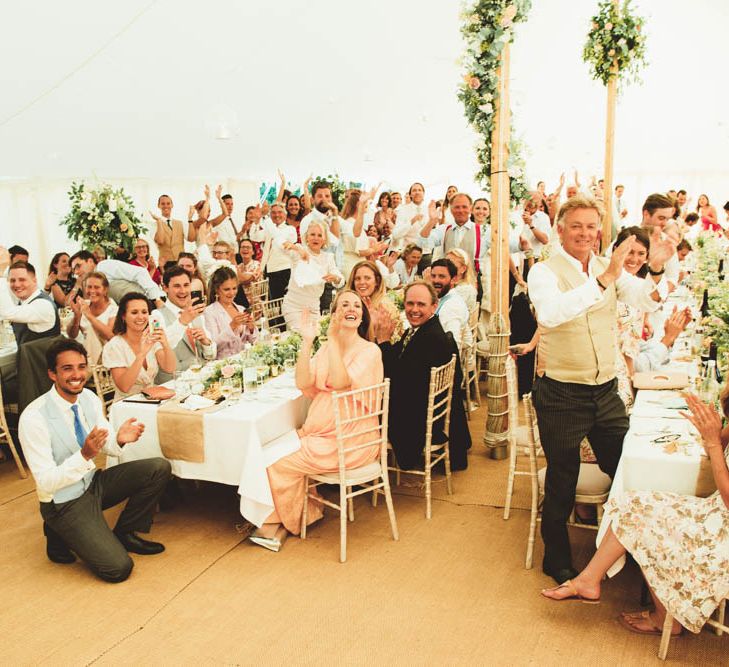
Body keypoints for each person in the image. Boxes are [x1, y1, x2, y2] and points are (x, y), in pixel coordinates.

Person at [527, 195, 675, 584]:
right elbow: (551, 314)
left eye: (592, 227)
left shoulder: (603, 267)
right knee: (563, 475)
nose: (585, 234)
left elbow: (645, 297)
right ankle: (556, 559)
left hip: (605, 389)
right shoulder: (544, 272)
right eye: (577, 225)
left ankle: (631, 549)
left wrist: (656, 269)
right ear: (560, 229)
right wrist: (604, 278)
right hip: (561, 390)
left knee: (626, 465)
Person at [542, 390, 729, 638]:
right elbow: (718, 443)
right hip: (714, 513)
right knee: (632, 502)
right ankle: (588, 580)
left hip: (721, 529)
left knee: (643, 519)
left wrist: (714, 444)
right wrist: (712, 432)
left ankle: (666, 620)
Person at [18, 338, 170, 583]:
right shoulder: (34, 418)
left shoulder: (88, 398)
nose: (77, 374)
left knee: (158, 468)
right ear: (52, 374)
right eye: (67, 369)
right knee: (118, 569)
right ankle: (57, 529)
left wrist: (119, 439)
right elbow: (46, 483)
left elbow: (106, 443)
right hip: (62, 500)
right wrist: (85, 456)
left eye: (81, 366)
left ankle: (125, 532)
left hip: (92, 483)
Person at [261, 290, 384, 536]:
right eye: (345, 305)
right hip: (322, 435)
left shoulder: (370, 351)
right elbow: (302, 381)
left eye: (357, 306)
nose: (351, 309)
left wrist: (333, 340)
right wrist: (308, 342)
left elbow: (340, 382)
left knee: (274, 461)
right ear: (335, 313)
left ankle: (279, 523)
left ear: (362, 317)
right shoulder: (327, 348)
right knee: (266, 450)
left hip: (350, 441)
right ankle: (303, 511)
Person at [375, 281, 470, 472]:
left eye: (421, 304)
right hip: (425, 408)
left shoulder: (430, 338)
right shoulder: (424, 330)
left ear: (434, 306)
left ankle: (357, 463)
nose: (414, 309)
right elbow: (403, 364)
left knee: (364, 412)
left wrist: (384, 341)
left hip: (415, 420)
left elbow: (398, 380)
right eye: (410, 304)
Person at [102, 292, 176, 400]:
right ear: (123, 316)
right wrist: (142, 354)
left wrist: (165, 344)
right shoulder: (114, 346)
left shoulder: (151, 338)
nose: (140, 317)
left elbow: (170, 368)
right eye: (134, 312)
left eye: (144, 312)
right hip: (127, 405)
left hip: (153, 400)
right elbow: (124, 387)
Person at [153, 266, 216, 381]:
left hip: (201, 380)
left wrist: (205, 342)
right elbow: (163, 347)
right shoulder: (156, 316)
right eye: (177, 286)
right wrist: (183, 321)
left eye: (186, 285)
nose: (183, 291)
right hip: (173, 385)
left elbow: (211, 355)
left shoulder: (196, 313)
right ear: (165, 288)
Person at [281, 221, 344, 331]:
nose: (316, 238)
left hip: (314, 309)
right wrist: (294, 247)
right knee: (302, 339)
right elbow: (280, 243)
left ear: (324, 239)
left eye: (320, 235)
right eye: (312, 234)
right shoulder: (299, 251)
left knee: (317, 340)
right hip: (294, 306)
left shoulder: (328, 257)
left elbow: (340, 279)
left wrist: (335, 277)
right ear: (307, 237)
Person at [0, 251, 60, 346]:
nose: (17, 284)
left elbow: (7, 312)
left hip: (42, 360)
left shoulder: (43, 305)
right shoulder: (24, 300)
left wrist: (0, 272)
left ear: (34, 280)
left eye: (22, 279)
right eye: (12, 280)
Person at [69, 250, 165, 307]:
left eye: (78, 266)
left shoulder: (104, 266)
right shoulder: (91, 282)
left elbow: (140, 272)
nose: (76, 272)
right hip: (135, 309)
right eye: (74, 270)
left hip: (152, 302)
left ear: (90, 261)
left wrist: (156, 299)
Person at [203, 266, 257, 359]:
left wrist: (251, 328)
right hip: (224, 364)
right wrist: (232, 326)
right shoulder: (210, 312)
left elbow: (254, 342)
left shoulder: (241, 309)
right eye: (227, 289)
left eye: (234, 288)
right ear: (217, 289)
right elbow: (213, 346)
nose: (232, 293)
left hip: (246, 360)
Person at [67, 272, 117, 365]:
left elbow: (110, 336)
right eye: (89, 287)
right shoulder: (83, 304)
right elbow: (72, 335)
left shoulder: (113, 309)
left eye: (97, 287)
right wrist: (77, 316)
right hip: (83, 355)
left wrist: (89, 315)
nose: (92, 291)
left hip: (107, 358)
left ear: (105, 290)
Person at [250, 202, 297, 301]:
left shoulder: (290, 229)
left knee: (285, 303)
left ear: (285, 214)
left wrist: (265, 218)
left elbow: (279, 239)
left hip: (285, 271)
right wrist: (257, 221)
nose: (276, 215)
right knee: (273, 305)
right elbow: (254, 236)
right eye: (273, 213)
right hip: (270, 271)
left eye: (279, 212)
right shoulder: (269, 230)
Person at [346, 260, 400, 339]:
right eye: (357, 278)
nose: (362, 282)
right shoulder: (346, 305)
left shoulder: (386, 307)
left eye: (367, 278)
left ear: (377, 281)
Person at [428, 259, 471, 352]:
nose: (436, 280)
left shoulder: (451, 307)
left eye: (441, 276)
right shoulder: (447, 297)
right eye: (433, 276)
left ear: (454, 279)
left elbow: (453, 345)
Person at [151, 194, 185, 267]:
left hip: (181, 262)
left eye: (168, 203)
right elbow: (160, 241)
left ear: (172, 205)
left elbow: (190, 238)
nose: (166, 206)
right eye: (163, 204)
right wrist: (159, 221)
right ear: (159, 206)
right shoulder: (154, 225)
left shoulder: (180, 223)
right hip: (165, 264)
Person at [445, 248, 478, 312]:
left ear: (463, 269)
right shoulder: (451, 285)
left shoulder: (465, 289)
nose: (445, 267)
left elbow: (447, 310)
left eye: (451, 264)